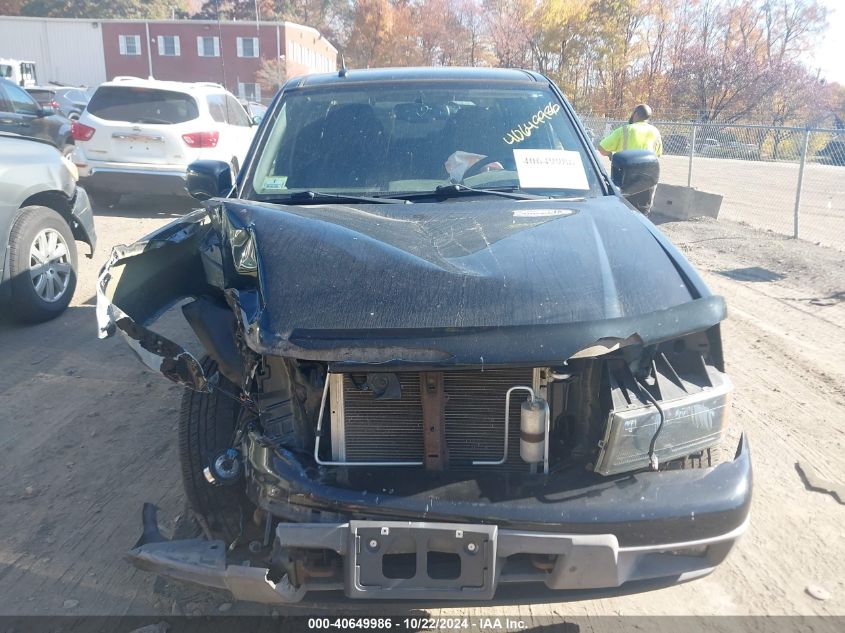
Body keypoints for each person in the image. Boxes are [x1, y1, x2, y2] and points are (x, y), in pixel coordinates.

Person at [597, 103, 662, 214]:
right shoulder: (655, 132)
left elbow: (601, 147)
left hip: (627, 178)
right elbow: (658, 154)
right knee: (643, 212)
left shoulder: (625, 130)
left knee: (623, 211)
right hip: (648, 178)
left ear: (635, 114)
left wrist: (610, 155)